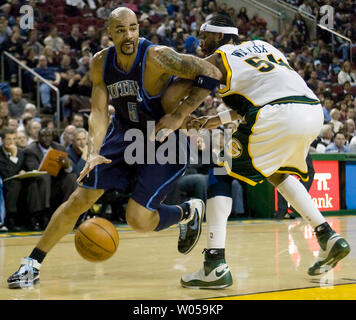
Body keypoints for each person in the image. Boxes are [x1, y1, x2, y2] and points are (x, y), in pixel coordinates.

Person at [7, 7, 222, 289]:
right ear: (109, 32)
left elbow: (210, 71)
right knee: (79, 199)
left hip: (163, 138)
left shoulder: (158, 56)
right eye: (121, 30)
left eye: (133, 28)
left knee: (137, 219)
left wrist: (180, 115)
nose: (128, 34)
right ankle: (32, 263)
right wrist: (94, 150)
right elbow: (98, 112)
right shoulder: (101, 63)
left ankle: (186, 212)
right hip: (123, 134)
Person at [155, 14, 350, 289]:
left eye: (205, 35)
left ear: (220, 36)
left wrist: (163, 72)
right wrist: (211, 121)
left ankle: (214, 264)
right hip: (311, 111)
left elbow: (194, 70)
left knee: (220, 173)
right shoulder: (266, 47)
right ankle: (328, 236)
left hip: (277, 113)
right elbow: (255, 101)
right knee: (276, 173)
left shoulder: (221, 56)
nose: (201, 41)